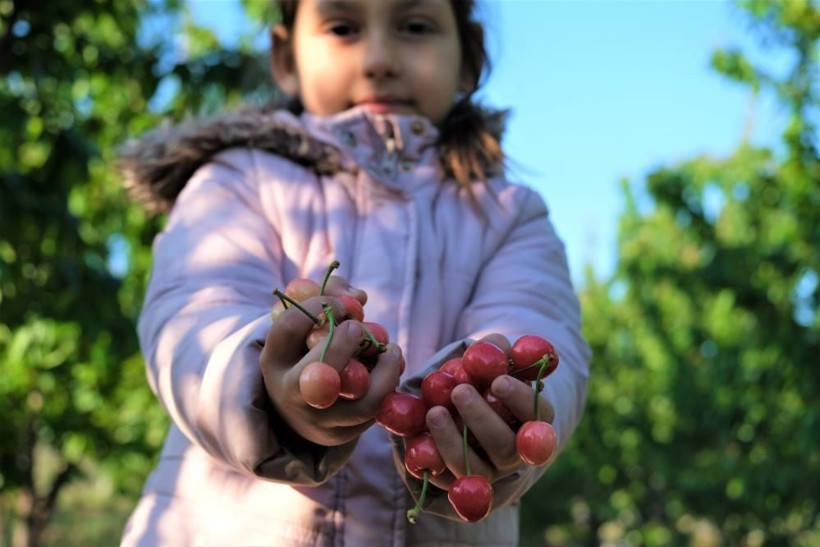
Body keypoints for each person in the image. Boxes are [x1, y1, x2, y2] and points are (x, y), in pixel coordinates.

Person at [119, 0, 590, 544]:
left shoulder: (510, 215)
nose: (378, 59)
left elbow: (543, 339)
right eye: (342, 28)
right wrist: (266, 389)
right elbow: (191, 319)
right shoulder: (235, 181)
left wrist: (498, 414)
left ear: (470, 58)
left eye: (415, 27)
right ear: (285, 57)